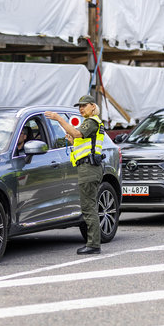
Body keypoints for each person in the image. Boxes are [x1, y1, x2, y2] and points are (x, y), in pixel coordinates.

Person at [45, 95, 104, 255]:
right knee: (89, 205)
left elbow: (78, 134)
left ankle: (93, 245)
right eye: (79, 106)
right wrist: (72, 141)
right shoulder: (91, 122)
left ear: (93, 106)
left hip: (89, 168)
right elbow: (83, 142)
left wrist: (58, 118)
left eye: (84, 106)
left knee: (88, 207)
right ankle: (93, 243)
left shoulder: (91, 121)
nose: (81, 108)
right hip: (89, 167)